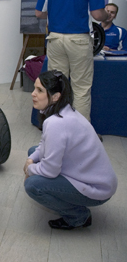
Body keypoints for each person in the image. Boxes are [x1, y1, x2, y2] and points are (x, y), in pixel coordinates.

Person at [24, 70, 117, 230]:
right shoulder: (64, 111)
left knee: (33, 185)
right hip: (98, 180)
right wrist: (31, 159)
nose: (33, 94)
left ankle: (78, 216)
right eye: (34, 88)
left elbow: (50, 171)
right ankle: (70, 199)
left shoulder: (56, 123)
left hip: (97, 189)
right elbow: (42, 144)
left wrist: (29, 169)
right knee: (33, 152)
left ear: (55, 96)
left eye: (39, 90)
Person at [35, 0, 110, 121]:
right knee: (81, 89)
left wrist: (56, 11)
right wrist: (107, 16)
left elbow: (39, 13)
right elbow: (97, 14)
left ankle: (55, 130)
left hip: (55, 40)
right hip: (78, 40)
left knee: (55, 88)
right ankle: (81, 137)